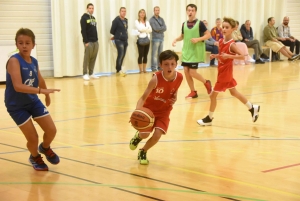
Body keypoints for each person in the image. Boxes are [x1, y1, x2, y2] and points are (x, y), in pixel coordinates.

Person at [5, 28, 60, 171]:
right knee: (33, 138)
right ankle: (34, 156)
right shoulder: (13, 61)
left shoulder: (34, 61)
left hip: (32, 101)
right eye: (20, 43)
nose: (24, 46)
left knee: (52, 130)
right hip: (16, 105)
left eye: (27, 43)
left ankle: (45, 147)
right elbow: (18, 86)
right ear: (16, 44)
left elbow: (39, 78)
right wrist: (41, 91)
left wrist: (46, 94)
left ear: (33, 45)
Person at [197, 17, 260, 126]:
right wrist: (216, 55)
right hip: (222, 71)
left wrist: (229, 56)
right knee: (234, 92)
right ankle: (252, 107)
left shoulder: (232, 44)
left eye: (227, 27)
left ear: (232, 30)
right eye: (223, 27)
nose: (224, 29)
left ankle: (209, 118)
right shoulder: (221, 41)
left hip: (225, 74)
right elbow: (223, 55)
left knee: (213, 96)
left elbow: (242, 56)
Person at [129, 50, 183, 165]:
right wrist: (137, 111)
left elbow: (175, 89)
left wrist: (175, 97)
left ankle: (143, 151)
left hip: (164, 110)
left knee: (157, 134)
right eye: (166, 64)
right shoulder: (156, 79)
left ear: (176, 64)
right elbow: (143, 98)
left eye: (172, 64)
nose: (170, 67)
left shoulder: (179, 77)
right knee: (145, 134)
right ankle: (138, 137)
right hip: (150, 110)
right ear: (160, 65)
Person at [172, 4, 212, 98]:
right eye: (189, 10)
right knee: (186, 71)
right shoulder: (184, 24)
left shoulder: (200, 23)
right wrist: (175, 40)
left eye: (192, 10)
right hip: (186, 51)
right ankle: (193, 91)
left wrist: (198, 39)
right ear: (186, 12)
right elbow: (182, 36)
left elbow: (208, 35)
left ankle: (206, 82)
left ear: (195, 12)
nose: (190, 12)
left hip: (195, 51)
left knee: (192, 72)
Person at [80, 3, 99, 80]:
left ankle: (91, 73)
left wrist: (97, 39)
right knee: (87, 57)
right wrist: (86, 41)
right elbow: (83, 30)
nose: (91, 9)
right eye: (90, 8)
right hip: (89, 41)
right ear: (87, 9)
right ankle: (85, 73)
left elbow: (94, 29)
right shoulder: (84, 17)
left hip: (95, 41)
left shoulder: (93, 18)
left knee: (93, 58)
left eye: (92, 8)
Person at [110, 7, 128, 77]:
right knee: (120, 55)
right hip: (119, 40)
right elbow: (112, 30)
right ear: (119, 12)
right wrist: (117, 35)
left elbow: (125, 30)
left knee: (123, 55)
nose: (123, 12)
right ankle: (118, 69)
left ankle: (119, 69)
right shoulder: (116, 20)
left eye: (124, 11)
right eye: (122, 11)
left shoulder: (126, 20)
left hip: (125, 40)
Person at [149, 6, 167, 72]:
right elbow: (155, 28)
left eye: (158, 10)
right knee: (154, 54)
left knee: (160, 54)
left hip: (161, 38)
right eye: (156, 10)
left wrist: (160, 29)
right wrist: (161, 28)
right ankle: (153, 68)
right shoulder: (151, 19)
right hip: (155, 38)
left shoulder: (161, 19)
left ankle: (160, 67)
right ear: (154, 11)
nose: (157, 11)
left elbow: (165, 28)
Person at [135, 9, 152, 73]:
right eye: (141, 13)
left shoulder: (147, 22)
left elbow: (150, 30)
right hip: (140, 40)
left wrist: (144, 30)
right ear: (139, 14)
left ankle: (144, 69)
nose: (142, 14)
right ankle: (140, 70)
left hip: (147, 39)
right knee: (140, 55)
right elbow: (140, 29)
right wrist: (146, 29)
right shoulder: (137, 21)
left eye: (143, 13)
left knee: (145, 55)